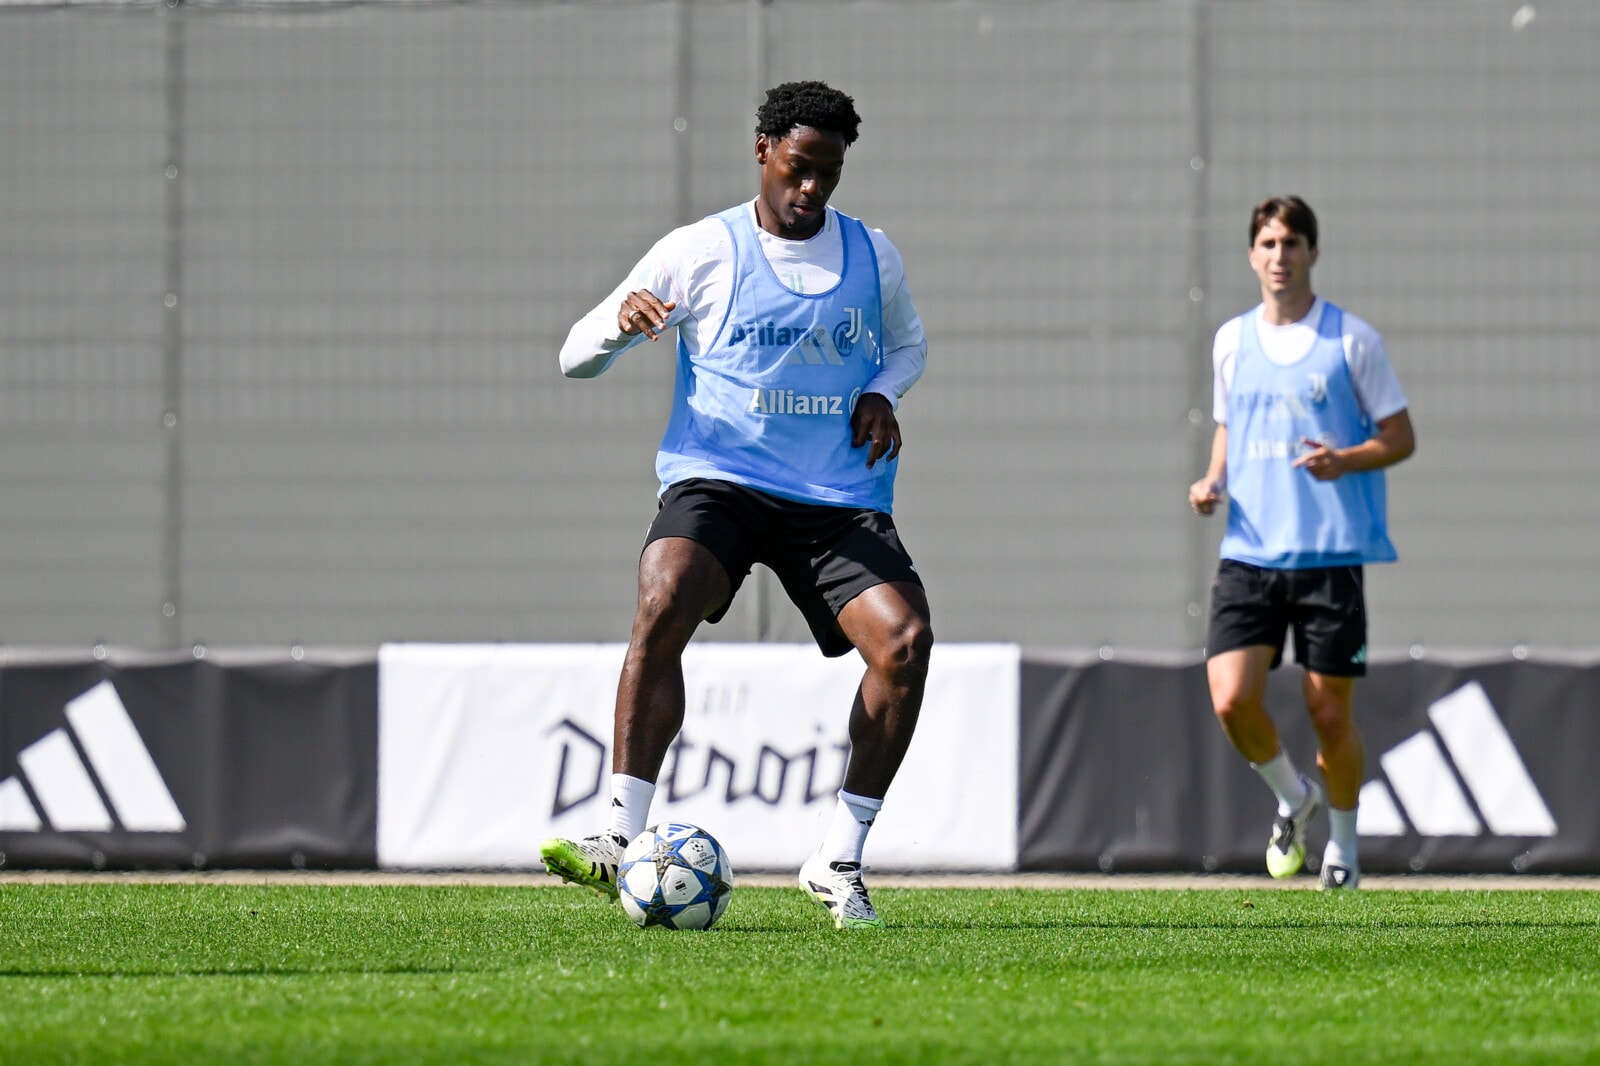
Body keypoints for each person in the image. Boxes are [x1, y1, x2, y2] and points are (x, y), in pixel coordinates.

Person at [542, 81, 932, 929]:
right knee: (665, 591)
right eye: (798, 167)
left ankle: (838, 858)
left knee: (905, 643)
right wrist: (618, 323)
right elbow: (574, 356)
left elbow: (908, 345)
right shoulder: (699, 251)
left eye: (829, 172)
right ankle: (619, 834)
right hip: (719, 479)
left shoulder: (872, 255)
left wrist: (882, 392)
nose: (811, 189)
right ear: (763, 150)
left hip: (834, 498)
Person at [1189, 196, 1415, 891]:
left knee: (1329, 714)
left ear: (1313, 252)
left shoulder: (1351, 340)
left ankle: (1343, 848)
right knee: (1231, 699)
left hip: (1330, 557)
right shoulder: (1232, 341)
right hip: (1250, 553)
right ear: (1251, 255)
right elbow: (1229, 425)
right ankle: (1294, 798)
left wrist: (1344, 459)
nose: (1279, 256)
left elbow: (1400, 437)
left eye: (1291, 243)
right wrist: (1214, 478)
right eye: (1267, 243)